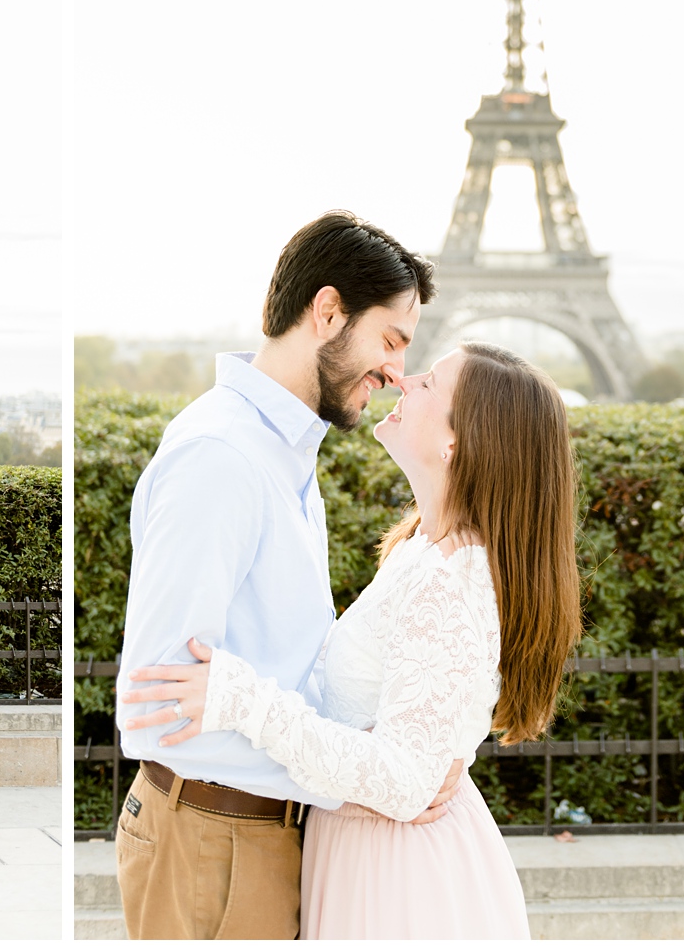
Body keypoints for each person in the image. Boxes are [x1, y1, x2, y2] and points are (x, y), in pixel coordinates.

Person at [124, 342, 583, 939]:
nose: (402, 378)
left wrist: (243, 699)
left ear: (458, 442)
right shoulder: (425, 550)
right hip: (369, 852)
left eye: (429, 383)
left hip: (396, 877)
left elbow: (406, 780)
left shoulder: (449, 579)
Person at [112, 211, 462, 940]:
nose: (398, 371)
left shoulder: (283, 453)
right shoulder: (224, 455)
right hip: (214, 839)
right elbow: (158, 703)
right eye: (391, 341)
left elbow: (292, 668)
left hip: (249, 834)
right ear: (328, 311)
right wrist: (364, 789)